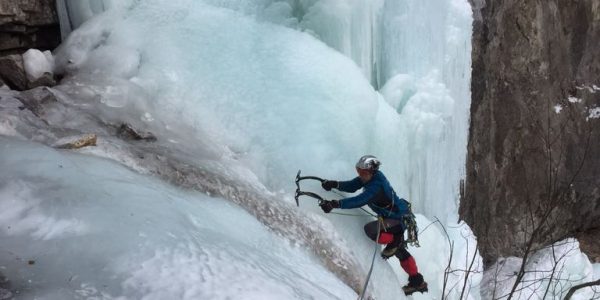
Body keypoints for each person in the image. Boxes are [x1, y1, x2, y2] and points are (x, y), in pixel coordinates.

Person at [319, 155, 428, 295]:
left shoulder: (376, 186)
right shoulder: (371, 177)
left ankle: (396, 240)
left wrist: (335, 204)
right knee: (400, 251)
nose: (360, 175)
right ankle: (417, 281)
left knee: (371, 230)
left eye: (363, 172)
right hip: (396, 217)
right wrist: (334, 184)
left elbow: (360, 200)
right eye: (358, 171)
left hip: (398, 219)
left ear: (371, 171)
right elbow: (353, 186)